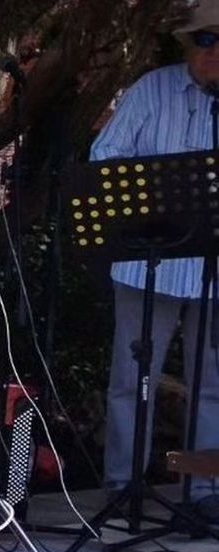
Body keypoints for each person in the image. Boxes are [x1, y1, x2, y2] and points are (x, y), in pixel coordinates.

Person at [91, 0, 219, 521]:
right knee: (131, 380)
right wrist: (153, 194)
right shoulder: (152, 89)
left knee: (212, 386)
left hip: (214, 271)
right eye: (205, 40)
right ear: (189, 45)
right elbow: (105, 155)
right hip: (150, 264)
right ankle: (124, 484)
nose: (213, 52)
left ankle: (203, 493)